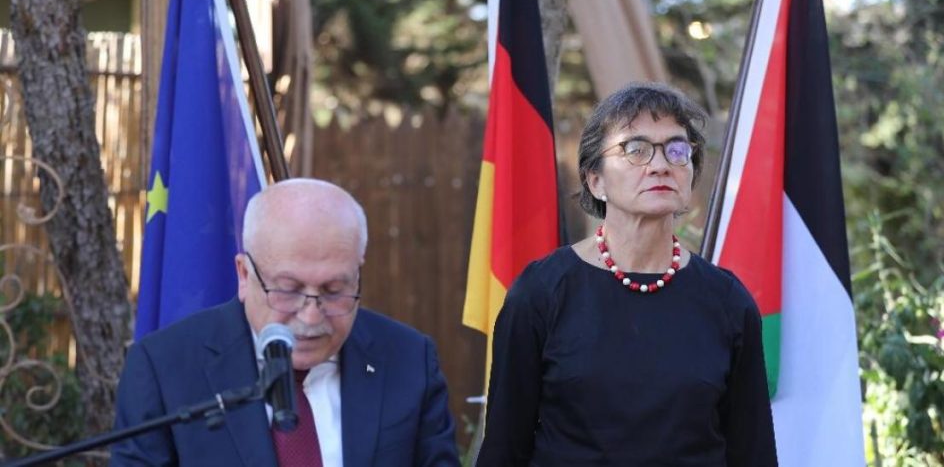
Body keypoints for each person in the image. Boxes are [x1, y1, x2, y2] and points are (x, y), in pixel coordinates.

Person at [477, 83, 778, 466]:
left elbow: (753, 453)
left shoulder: (728, 302)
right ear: (595, 180)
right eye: (636, 149)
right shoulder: (541, 292)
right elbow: (505, 449)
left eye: (677, 150)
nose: (660, 165)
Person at [111, 178, 459, 466]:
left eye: (334, 290)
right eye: (288, 290)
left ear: (358, 275)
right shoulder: (164, 368)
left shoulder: (409, 360)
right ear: (244, 275)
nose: (311, 316)